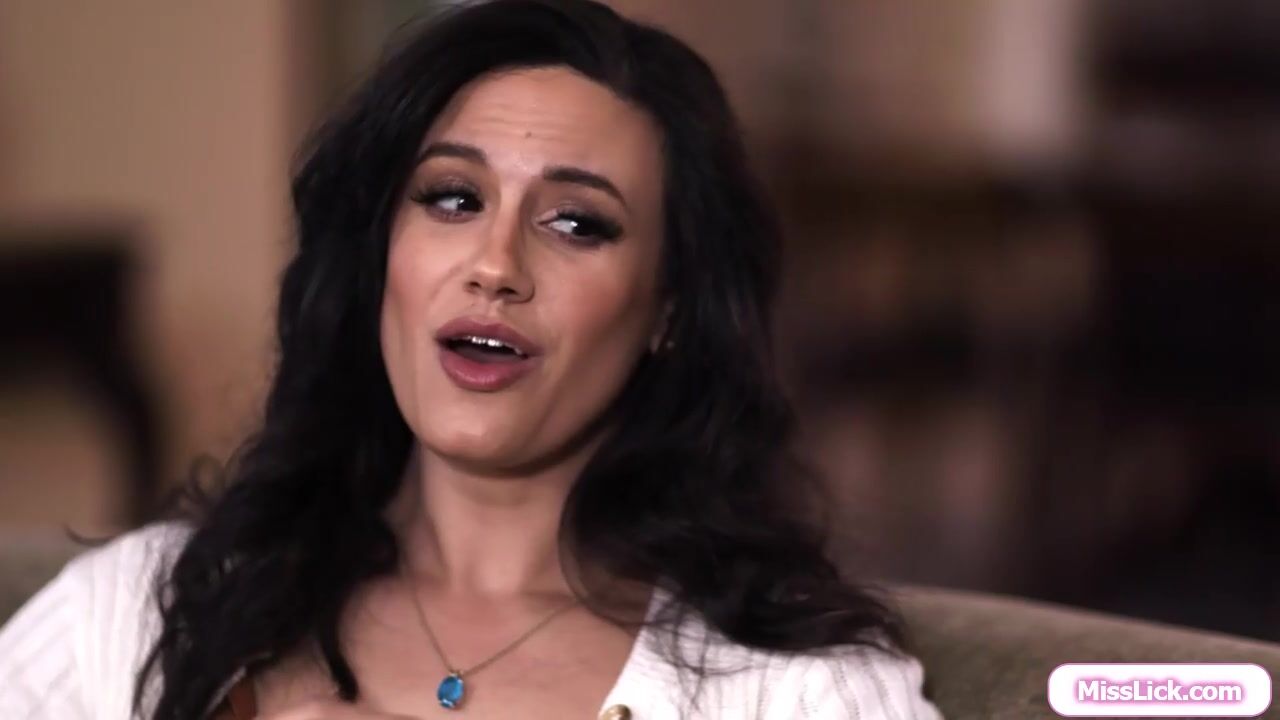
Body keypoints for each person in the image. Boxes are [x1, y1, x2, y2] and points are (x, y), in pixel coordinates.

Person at [0, 1, 943, 718]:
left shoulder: (795, 689)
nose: (495, 265)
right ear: (381, 255)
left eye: (576, 223)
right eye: (452, 199)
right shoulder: (136, 614)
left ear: (669, 310)